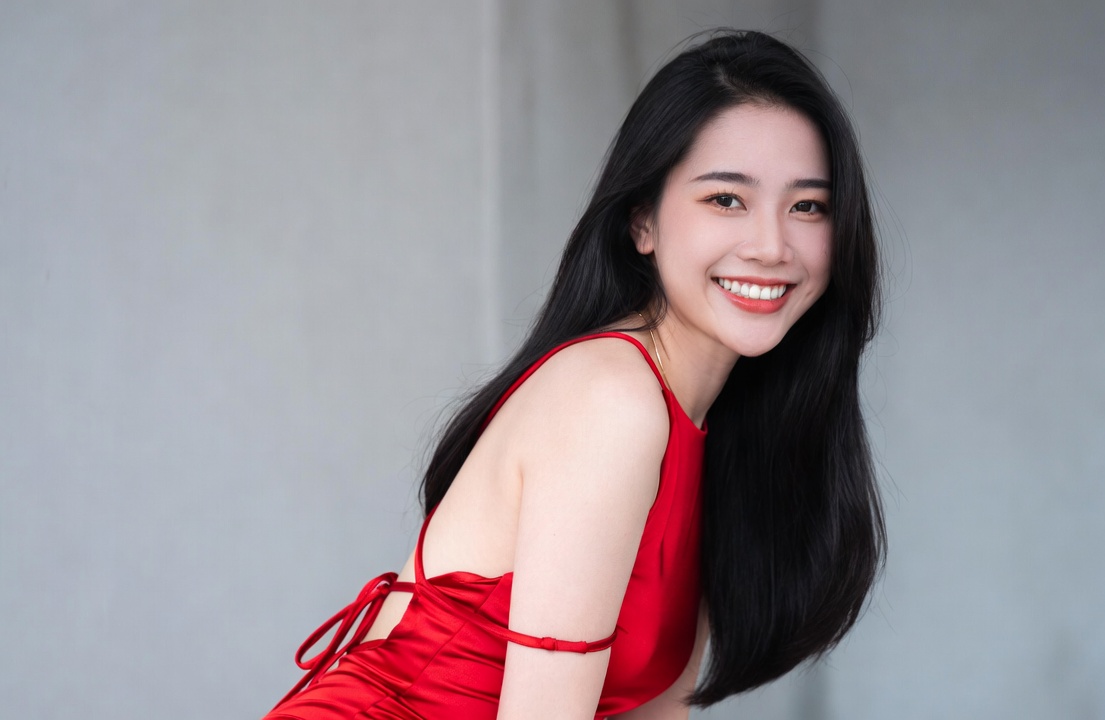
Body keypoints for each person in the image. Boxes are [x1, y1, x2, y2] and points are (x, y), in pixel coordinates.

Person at [265, 29, 885, 720]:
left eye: (808, 207)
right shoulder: (611, 400)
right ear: (642, 221)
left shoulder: (718, 426)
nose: (772, 247)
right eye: (726, 200)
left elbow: (653, 708)